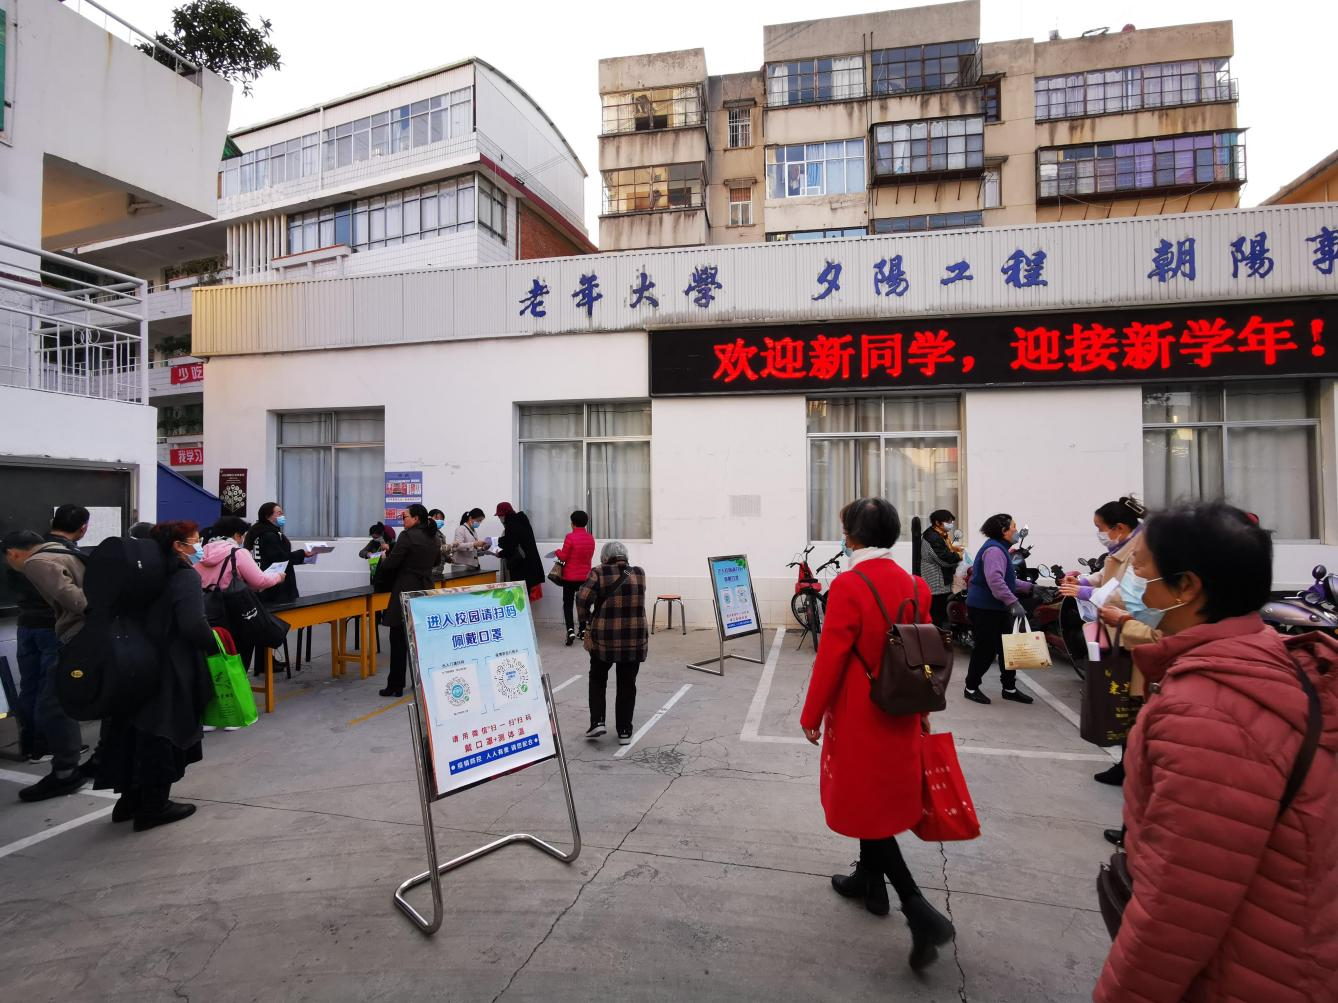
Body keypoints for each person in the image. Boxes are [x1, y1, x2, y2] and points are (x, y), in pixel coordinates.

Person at [1094, 502, 1338, 1003]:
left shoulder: (1206, 714)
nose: (1132, 580)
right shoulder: (1270, 661)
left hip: (1244, 970)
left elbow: (1179, 903)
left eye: (1142, 567)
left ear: (1187, 587)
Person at [799, 498, 955, 972]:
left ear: (852, 536)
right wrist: (923, 711)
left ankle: (917, 908)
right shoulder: (913, 584)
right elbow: (919, 650)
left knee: (865, 801)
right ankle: (870, 883)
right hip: (901, 707)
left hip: (859, 712)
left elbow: (831, 657)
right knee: (878, 799)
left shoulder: (849, 585)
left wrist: (811, 713)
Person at [96, 521, 216, 831]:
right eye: (196, 540)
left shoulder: (141, 573)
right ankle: (154, 806)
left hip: (131, 660)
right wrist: (213, 644)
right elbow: (193, 624)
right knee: (167, 727)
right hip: (171, 663)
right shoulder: (183, 575)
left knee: (133, 727)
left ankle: (128, 802)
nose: (199, 546)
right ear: (178, 545)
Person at [1058, 495, 1158, 789]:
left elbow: (1130, 595)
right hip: (1121, 633)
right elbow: (1107, 576)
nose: (1099, 534)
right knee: (1125, 703)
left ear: (1119, 527)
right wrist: (1083, 582)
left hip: (1132, 634)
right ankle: (1127, 763)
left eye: (1100, 528)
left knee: (1132, 704)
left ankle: (1132, 766)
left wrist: (1086, 593)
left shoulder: (1141, 551)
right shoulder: (1122, 548)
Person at [2, 505, 93, 801]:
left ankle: (44, 751)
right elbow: (79, 601)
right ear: (83, 527)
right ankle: (62, 760)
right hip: (55, 631)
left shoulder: (37, 557)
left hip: (35, 626)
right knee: (52, 697)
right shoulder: (59, 554)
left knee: (41, 694)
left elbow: (75, 600)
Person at [195, 515, 285, 687]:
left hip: (208, 613)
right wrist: (278, 577)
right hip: (235, 615)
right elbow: (259, 581)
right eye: (242, 536)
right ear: (236, 535)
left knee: (214, 661)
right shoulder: (238, 553)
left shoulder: (202, 551)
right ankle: (237, 696)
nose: (242, 539)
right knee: (238, 660)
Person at [576, 541, 648, 745]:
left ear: (605, 557)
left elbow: (582, 599)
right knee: (627, 683)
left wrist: (586, 620)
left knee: (598, 678)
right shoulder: (639, 573)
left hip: (604, 639)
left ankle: (598, 722)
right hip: (634, 639)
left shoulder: (599, 572)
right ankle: (624, 731)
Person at [962, 513, 1035, 705]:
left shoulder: (1000, 549)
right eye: (1013, 527)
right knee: (985, 650)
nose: (1017, 531)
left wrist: (1032, 588)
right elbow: (995, 582)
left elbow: (1007, 580)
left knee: (1007, 649)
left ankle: (1009, 688)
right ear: (1003, 531)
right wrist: (1013, 603)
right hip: (985, 609)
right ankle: (971, 687)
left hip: (996, 608)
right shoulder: (994, 550)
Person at [376, 504, 441, 698]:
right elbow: (436, 561)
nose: (402, 520)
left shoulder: (407, 536)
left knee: (398, 638)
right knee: (421, 638)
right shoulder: (434, 537)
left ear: (416, 519)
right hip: (425, 588)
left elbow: (392, 563)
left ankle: (395, 685)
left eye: (405, 517)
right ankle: (423, 681)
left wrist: (384, 558)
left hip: (406, 587)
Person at [243, 502, 312, 606]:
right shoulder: (269, 535)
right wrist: (302, 554)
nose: (282, 516)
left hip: (261, 580)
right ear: (267, 516)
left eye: (282, 513)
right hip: (276, 586)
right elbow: (281, 558)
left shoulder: (256, 532)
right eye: (279, 513)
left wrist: (302, 556)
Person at [555, 510, 596, 646]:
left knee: (568, 604)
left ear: (573, 523)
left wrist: (557, 551)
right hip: (585, 578)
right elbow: (588, 556)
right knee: (583, 604)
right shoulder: (590, 538)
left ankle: (570, 630)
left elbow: (563, 557)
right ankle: (583, 630)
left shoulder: (570, 537)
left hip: (569, 578)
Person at [920, 509, 962, 629]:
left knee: (941, 613)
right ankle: (937, 636)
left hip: (941, 581)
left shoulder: (939, 534)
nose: (950, 524)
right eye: (948, 522)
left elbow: (944, 551)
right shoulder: (932, 537)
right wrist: (959, 556)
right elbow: (944, 559)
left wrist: (954, 550)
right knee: (938, 616)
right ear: (937, 523)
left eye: (951, 522)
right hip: (936, 583)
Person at [496, 502, 543, 597]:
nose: (499, 518)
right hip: (530, 565)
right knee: (526, 594)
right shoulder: (522, 521)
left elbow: (510, 546)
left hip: (520, 566)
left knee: (520, 596)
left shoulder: (511, 525)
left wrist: (499, 553)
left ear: (505, 514)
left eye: (500, 515)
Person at [427, 508, 452, 579]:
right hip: (431, 569)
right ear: (429, 518)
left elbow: (441, 551)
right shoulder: (427, 531)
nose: (440, 521)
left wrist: (448, 558)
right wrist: (451, 546)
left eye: (442, 519)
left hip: (439, 568)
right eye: (437, 518)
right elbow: (435, 548)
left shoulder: (439, 532)